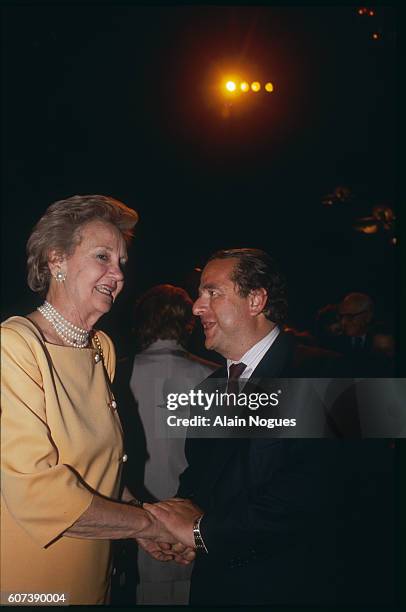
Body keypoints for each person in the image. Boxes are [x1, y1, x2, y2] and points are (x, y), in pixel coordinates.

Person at [147, 248, 395, 605]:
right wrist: (177, 525)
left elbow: (321, 492)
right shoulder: (208, 387)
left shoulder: (327, 372)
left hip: (296, 588)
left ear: (256, 300)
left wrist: (203, 532)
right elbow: (202, 476)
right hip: (216, 585)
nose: (197, 307)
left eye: (213, 293)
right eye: (200, 294)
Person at [1, 195, 192, 606]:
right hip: (31, 584)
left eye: (121, 262)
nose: (117, 273)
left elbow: (98, 473)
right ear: (57, 260)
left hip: (95, 579)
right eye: (102, 256)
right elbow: (39, 494)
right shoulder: (13, 346)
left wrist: (142, 516)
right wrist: (152, 526)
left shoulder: (99, 349)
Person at [129, 284, 217, 605]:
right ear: (188, 323)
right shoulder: (213, 376)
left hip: (137, 505)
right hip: (194, 508)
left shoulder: (119, 372)